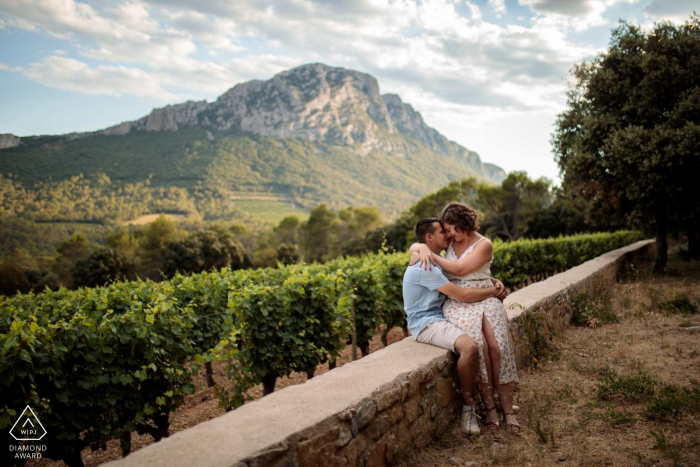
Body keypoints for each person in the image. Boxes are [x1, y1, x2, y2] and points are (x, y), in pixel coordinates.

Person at [411, 203, 520, 432]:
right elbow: (422, 243)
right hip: (459, 301)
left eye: (450, 229)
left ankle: (508, 408)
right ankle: (490, 408)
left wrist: (428, 252)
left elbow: (461, 269)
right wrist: (421, 248)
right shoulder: (449, 241)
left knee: (498, 347)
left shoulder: (484, 244)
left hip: (486, 296)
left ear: (463, 225)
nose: (448, 234)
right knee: (478, 346)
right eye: (445, 231)